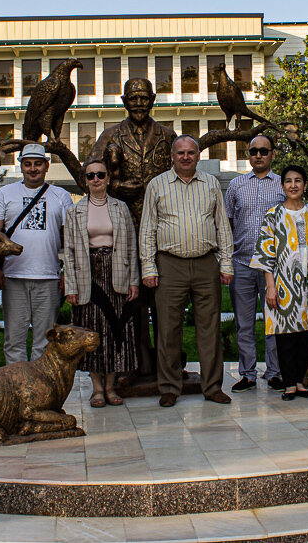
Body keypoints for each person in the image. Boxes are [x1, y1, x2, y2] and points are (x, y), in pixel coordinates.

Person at [89, 77, 177, 376]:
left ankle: (167, 363)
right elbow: (90, 174)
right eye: (133, 98)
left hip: (162, 229)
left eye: (144, 98)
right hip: (123, 229)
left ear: (153, 99)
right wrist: (114, 185)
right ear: (124, 101)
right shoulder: (110, 135)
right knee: (131, 299)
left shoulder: (168, 135)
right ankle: (136, 362)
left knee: (163, 301)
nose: (139, 103)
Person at [140, 135, 234, 407]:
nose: (185, 157)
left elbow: (222, 226)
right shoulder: (157, 185)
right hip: (169, 264)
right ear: (172, 155)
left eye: (190, 152)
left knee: (210, 328)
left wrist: (225, 263)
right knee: (168, 330)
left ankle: (213, 386)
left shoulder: (211, 184)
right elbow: (147, 229)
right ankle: (169, 386)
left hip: (206, 263)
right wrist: (149, 267)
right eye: (180, 152)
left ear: (198, 156)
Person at [250, 165, 308, 400]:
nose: (293, 185)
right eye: (288, 181)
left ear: (305, 185)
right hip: (283, 283)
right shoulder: (273, 215)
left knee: (306, 333)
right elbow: (266, 254)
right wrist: (271, 287)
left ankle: (300, 381)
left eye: (298, 180)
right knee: (285, 335)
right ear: (283, 186)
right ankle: (288, 384)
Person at [63, 160, 140, 407]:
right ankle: (96, 388)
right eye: (90, 175)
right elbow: (70, 251)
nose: (96, 179)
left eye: (100, 175)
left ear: (108, 178)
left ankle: (111, 386)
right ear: (85, 180)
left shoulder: (120, 208)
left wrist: (134, 281)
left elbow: (130, 245)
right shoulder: (75, 211)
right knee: (92, 330)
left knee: (117, 330)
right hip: (89, 275)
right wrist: (71, 286)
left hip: (117, 271)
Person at [0, 143, 73, 364]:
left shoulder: (61, 196)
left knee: (44, 341)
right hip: (14, 276)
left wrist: (68, 273)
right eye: (27, 164)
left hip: (48, 276)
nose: (32, 169)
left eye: (37, 164)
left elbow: (71, 238)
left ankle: (40, 391)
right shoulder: (6, 193)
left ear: (46, 166)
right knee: (14, 339)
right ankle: (16, 390)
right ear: (21, 166)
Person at [224, 134, 286, 393]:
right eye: (253, 151)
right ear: (248, 155)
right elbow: (227, 223)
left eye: (263, 151)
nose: (258, 155)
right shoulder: (236, 185)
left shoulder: (284, 184)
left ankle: (274, 372)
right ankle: (247, 374)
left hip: (274, 266)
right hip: (241, 263)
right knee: (244, 322)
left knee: (274, 321)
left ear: (272, 154)